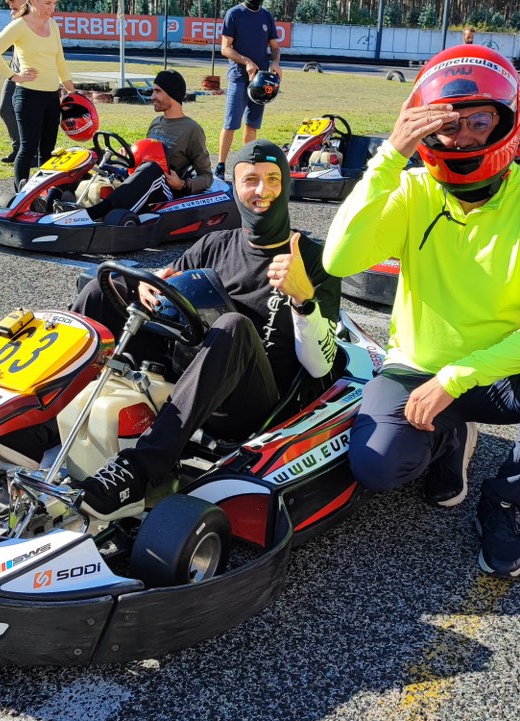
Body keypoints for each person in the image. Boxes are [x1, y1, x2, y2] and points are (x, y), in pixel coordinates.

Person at [323, 46, 520, 579]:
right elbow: (339, 259)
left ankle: (503, 502)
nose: (465, 135)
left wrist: (456, 380)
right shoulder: (411, 188)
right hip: (417, 367)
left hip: (501, 372)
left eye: (480, 119)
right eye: (449, 122)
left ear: (508, 120)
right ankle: (451, 439)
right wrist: (388, 157)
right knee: (377, 467)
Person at [70, 140, 342, 521]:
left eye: (272, 179)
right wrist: (145, 285)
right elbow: (168, 288)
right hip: (189, 373)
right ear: (235, 187)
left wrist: (302, 299)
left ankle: (141, 469)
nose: (261, 191)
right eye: (250, 180)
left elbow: (319, 366)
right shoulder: (215, 244)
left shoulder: (314, 260)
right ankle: (42, 424)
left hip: (253, 406)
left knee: (234, 326)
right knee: (104, 287)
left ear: (286, 187)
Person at [80, 70, 213, 221]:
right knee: (94, 155)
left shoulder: (192, 129)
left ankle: (94, 214)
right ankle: (60, 197)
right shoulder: (156, 123)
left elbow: (207, 176)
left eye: (157, 91)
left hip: (165, 189)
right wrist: (129, 153)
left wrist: (183, 184)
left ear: (172, 94)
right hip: (142, 179)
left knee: (152, 169)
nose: (152, 97)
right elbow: (149, 154)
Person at [0, 0, 77, 191]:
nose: (52, 8)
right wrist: (14, 75)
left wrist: (72, 91)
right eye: (48, 3)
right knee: (27, 149)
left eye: (55, 3)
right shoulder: (19, 25)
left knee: (48, 152)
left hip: (52, 98)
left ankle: (44, 194)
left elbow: (60, 61)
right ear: (32, 1)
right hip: (28, 97)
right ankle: (20, 197)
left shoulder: (52, 25)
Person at [216, 0, 282, 178]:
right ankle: (221, 166)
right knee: (231, 123)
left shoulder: (266, 16)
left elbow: (275, 47)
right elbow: (225, 48)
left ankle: (247, 164)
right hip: (239, 77)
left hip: (261, 81)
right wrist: (246, 61)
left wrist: (275, 62)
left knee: (252, 124)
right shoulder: (234, 14)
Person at [0, 0, 28, 164]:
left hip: (31, 77)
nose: (11, 13)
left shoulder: (37, 25)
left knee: (30, 114)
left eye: (15, 9)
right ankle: (18, 149)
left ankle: (31, 151)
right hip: (15, 73)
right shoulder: (16, 25)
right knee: (5, 109)